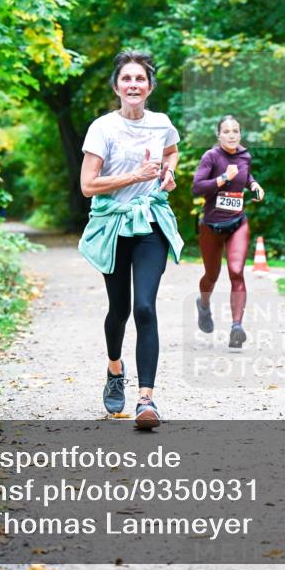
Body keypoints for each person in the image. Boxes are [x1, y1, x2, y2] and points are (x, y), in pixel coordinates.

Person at [79, 50, 184, 430]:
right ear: (117, 86)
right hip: (113, 226)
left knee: (144, 307)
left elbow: (171, 153)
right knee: (119, 309)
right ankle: (114, 368)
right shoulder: (102, 128)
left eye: (140, 79)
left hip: (150, 222)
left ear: (150, 86)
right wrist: (136, 176)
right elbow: (88, 185)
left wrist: (167, 174)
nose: (134, 85)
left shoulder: (161, 124)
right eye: (127, 79)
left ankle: (146, 400)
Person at [191, 116, 266, 348]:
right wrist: (224, 178)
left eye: (235, 131)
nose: (232, 135)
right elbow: (197, 187)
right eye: (226, 131)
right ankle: (203, 304)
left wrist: (253, 184)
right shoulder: (211, 157)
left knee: (236, 271)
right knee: (211, 275)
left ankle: (236, 327)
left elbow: (246, 176)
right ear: (219, 135)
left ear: (240, 134)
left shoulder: (245, 156)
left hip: (237, 223)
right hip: (211, 225)